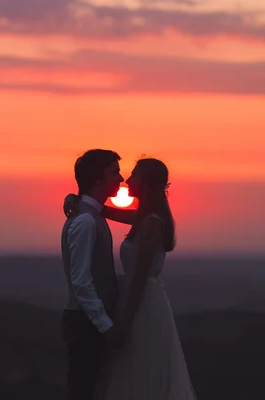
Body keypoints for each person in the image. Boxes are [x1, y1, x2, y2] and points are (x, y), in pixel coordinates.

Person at [63, 157, 196, 400]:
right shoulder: (145, 217)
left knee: (140, 368)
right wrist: (75, 199)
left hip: (142, 304)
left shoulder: (151, 224)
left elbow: (138, 280)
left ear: (144, 183)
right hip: (135, 301)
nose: (126, 179)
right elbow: (101, 210)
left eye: (133, 175)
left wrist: (122, 324)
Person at [60, 149, 125, 400]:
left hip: (89, 323)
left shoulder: (90, 214)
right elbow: (81, 282)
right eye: (114, 172)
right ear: (97, 178)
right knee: (83, 391)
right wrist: (106, 326)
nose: (120, 179)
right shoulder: (86, 221)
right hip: (85, 324)